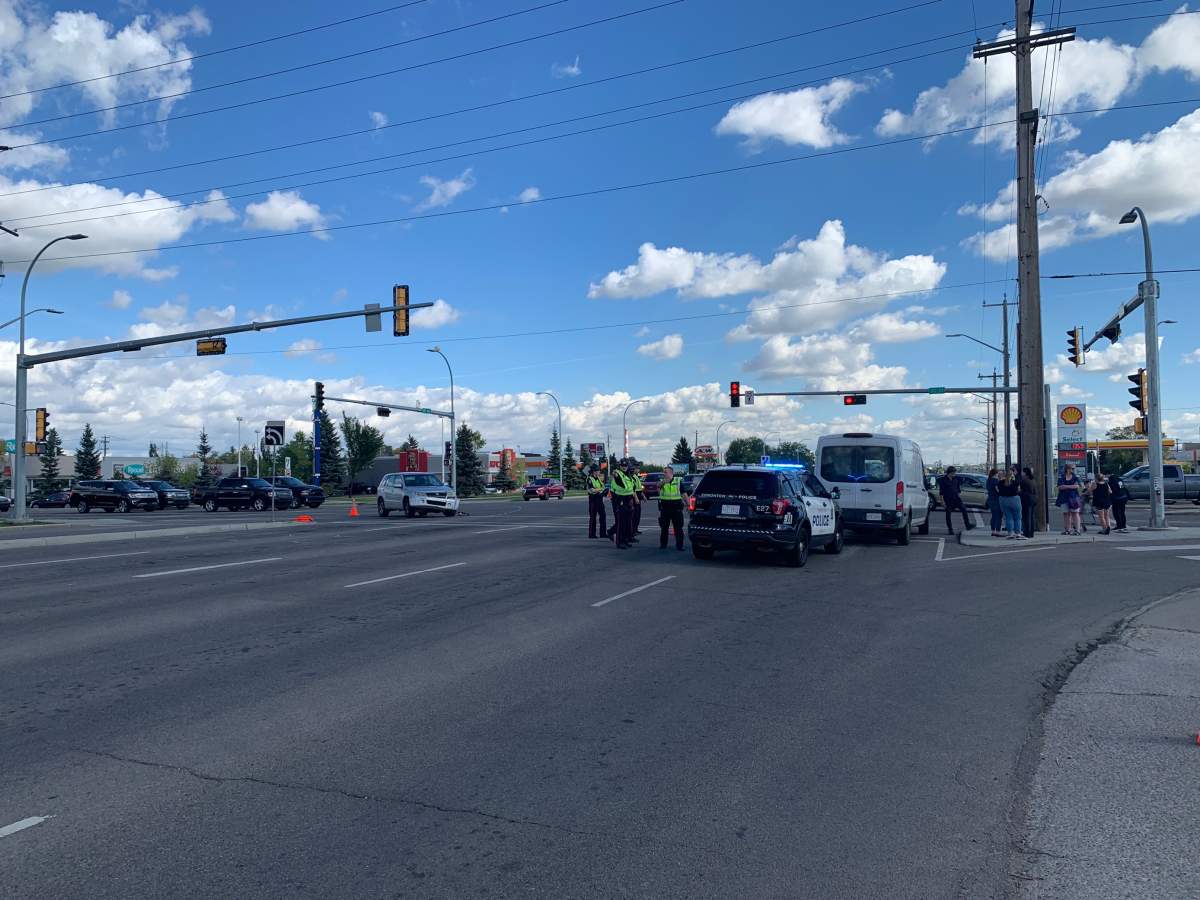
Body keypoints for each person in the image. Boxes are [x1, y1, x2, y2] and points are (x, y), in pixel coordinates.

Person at [607, 460, 637, 549]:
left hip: (627, 499)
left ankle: (624, 540)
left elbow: (631, 487)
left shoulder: (627, 475)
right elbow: (621, 483)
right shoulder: (618, 473)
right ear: (620, 466)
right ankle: (619, 542)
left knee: (627, 522)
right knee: (621, 522)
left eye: (625, 465)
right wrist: (615, 474)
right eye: (622, 465)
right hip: (619, 499)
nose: (624, 467)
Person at [656, 465, 686, 551]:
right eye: (664, 472)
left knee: (678, 528)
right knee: (664, 528)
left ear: (671, 473)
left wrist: (688, 505)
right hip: (665, 509)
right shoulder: (662, 482)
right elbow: (657, 486)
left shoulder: (678, 481)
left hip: (676, 509)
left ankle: (680, 546)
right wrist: (664, 482)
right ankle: (663, 544)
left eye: (666, 472)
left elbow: (684, 494)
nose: (664, 474)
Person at [937, 466, 974, 533]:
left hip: (956, 499)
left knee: (964, 510)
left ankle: (968, 525)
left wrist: (958, 494)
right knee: (948, 514)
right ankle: (950, 529)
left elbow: (958, 490)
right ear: (949, 473)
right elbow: (941, 492)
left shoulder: (955, 479)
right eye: (953, 473)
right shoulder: (943, 480)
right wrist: (942, 502)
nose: (954, 474)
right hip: (948, 500)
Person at [997, 469, 1024, 540]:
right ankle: (1018, 533)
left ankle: (1010, 533)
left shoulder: (1000, 483)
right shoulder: (1015, 482)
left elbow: (998, 490)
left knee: (1008, 517)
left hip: (1004, 500)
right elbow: (1019, 490)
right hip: (1014, 499)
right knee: (1017, 517)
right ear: (1011, 476)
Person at [1056, 464, 1082, 535]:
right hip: (1064, 498)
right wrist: (1071, 486)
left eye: (1073, 469)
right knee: (1066, 514)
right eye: (1072, 468)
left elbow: (1077, 486)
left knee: (1075, 513)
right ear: (1067, 469)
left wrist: (1065, 486)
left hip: (1074, 498)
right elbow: (1060, 487)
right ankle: (1067, 530)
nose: (1073, 470)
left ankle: (1077, 530)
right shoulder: (1061, 476)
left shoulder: (1076, 476)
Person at [586, 464, 607, 539]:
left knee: (603, 516)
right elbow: (592, 490)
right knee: (593, 517)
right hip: (593, 500)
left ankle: (603, 533)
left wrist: (602, 490)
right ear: (594, 471)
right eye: (598, 471)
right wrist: (601, 489)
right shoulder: (590, 479)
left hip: (599, 499)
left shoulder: (598, 478)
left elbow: (603, 487)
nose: (599, 472)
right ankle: (591, 534)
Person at [1019, 466, 1038, 538]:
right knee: (1031, 516)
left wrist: (1019, 492)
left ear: (1025, 473)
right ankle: (1031, 533)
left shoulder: (1024, 480)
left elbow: (1020, 490)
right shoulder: (1032, 480)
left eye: (1022, 472)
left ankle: (1027, 532)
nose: (1021, 473)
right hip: (1034, 499)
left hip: (1026, 500)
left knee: (1026, 517)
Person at [985, 468, 1003, 537]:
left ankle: (993, 531)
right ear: (995, 474)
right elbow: (998, 490)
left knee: (993, 515)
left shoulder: (988, 480)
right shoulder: (995, 481)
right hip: (996, 499)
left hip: (990, 499)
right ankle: (997, 532)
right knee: (999, 516)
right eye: (997, 473)